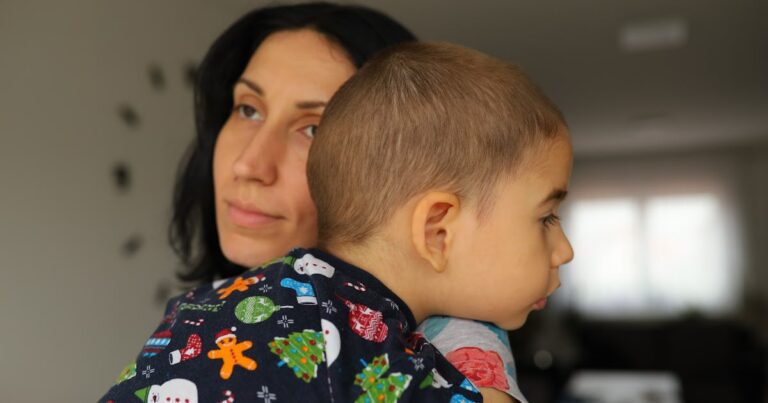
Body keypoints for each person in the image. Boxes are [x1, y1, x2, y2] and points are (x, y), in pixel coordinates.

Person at [100, 41, 573, 402]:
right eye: (547, 217)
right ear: (437, 230)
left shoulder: (211, 300)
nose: (565, 250)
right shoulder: (364, 354)